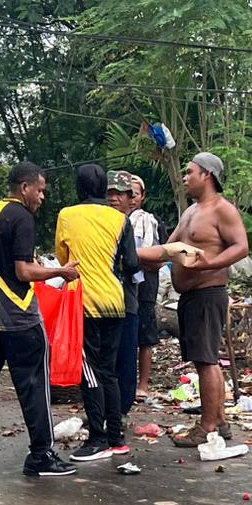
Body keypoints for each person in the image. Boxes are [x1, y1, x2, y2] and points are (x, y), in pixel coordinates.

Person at [0, 162, 81, 477]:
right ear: (24, 188)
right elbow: (23, 272)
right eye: (39, 190)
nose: (41, 197)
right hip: (20, 318)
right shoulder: (21, 217)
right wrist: (60, 271)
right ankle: (40, 455)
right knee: (34, 387)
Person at [160, 152, 249, 447]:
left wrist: (209, 264)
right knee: (203, 361)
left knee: (206, 360)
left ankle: (207, 425)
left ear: (206, 175)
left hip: (208, 292)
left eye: (190, 172)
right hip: (190, 295)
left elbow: (241, 247)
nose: (185, 177)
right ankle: (219, 420)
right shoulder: (191, 212)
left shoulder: (222, 209)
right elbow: (169, 248)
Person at [55, 165, 139, 461]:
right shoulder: (120, 219)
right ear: (104, 188)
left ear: (79, 189)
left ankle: (98, 439)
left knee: (89, 373)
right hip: (115, 303)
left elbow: (64, 260)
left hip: (84, 304)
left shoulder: (66, 215)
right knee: (108, 372)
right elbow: (131, 264)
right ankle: (116, 438)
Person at [106, 170, 142, 416]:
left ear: (132, 198)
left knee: (125, 358)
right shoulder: (105, 222)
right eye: (110, 193)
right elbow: (132, 262)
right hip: (106, 301)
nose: (114, 198)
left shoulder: (134, 222)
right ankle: (110, 410)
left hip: (127, 298)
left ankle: (120, 410)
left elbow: (132, 264)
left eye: (119, 193)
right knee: (110, 359)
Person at [127, 173, 162, 400]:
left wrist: (134, 259)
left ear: (143, 197)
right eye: (126, 193)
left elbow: (160, 258)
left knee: (145, 336)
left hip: (145, 286)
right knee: (126, 334)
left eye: (135, 194)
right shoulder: (113, 221)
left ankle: (143, 385)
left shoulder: (149, 222)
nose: (131, 199)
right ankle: (126, 382)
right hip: (122, 287)